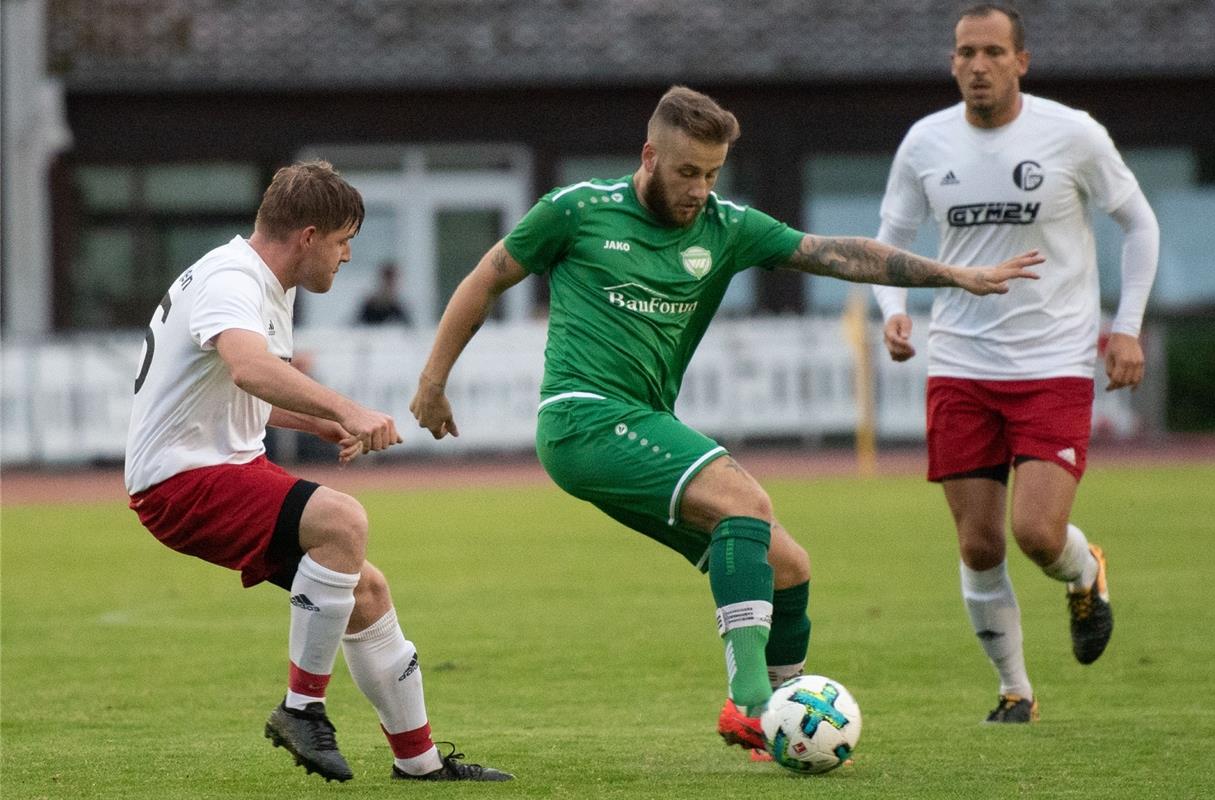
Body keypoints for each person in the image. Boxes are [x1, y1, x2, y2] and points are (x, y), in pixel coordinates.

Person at [408, 86, 1042, 757]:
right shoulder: (577, 210)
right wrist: (431, 381)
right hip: (581, 418)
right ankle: (751, 703)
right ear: (650, 156)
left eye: (712, 174)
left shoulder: (727, 227)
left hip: (638, 422)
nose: (699, 190)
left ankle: (782, 724)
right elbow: (486, 276)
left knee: (787, 565)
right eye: (687, 172)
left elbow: (838, 253)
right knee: (747, 502)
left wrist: (953, 275)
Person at [125, 160, 512, 783]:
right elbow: (249, 368)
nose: (348, 256)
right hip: (182, 481)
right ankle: (301, 708)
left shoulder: (261, 281)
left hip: (214, 468)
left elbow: (236, 383)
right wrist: (347, 408)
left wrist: (316, 424)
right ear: (308, 237)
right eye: (343, 242)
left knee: (366, 591)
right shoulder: (233, 278)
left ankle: (419, 764)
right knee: (342, 519)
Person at [870, 4, 1159, 723]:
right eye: (966, 53)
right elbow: (889, 241)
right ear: (952, 63)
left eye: (994, 52)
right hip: (961, 365)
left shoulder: (1072, 134)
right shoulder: (925, 142)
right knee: (978, 543)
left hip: (1054, 362)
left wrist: (1126, 328)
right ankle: (1015, 691)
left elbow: (1140, 223)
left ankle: (1084, 569)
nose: (978, 65)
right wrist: (892, 310)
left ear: (1021, 61)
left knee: (1035, 532)